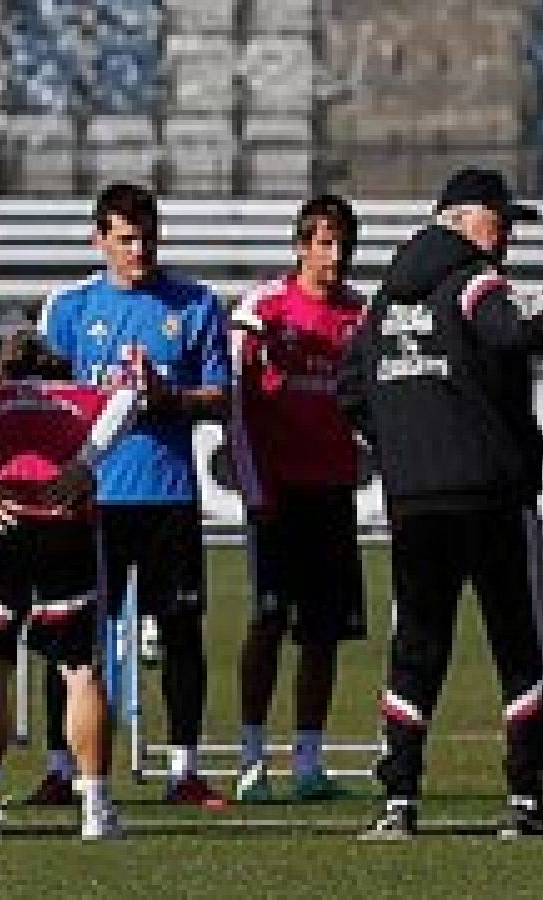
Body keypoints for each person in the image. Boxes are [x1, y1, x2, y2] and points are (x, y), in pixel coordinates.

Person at [340, 167, 543, 840]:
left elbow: (351, 388)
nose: (505, 237)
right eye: (499, 220)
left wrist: (403, 450)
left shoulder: (381, 302)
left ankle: (399, 801)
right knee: (517, 644)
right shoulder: (474, 282)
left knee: (414, 645)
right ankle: (526, 799)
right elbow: (523, 327)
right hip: (492, 496)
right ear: (460, 218)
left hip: (414, 501)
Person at [38, 182, 232, 808]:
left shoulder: (196, 303)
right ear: (100, 240)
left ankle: (184, 767)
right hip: (91, 496)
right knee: (72, 633)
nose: (138, 249)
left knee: (180, 629)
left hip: (166, 493)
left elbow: (221, 398)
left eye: (147, 236)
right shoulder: (68, 310)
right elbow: (47, 398)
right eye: (124, 238)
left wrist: (167, 398)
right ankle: (61, 767)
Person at [0, 331, 138, 840]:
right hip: (64, 526)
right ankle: (94, 807)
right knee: (79, 670)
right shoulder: (79, 397)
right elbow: (131, 399)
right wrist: (85, 464)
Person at [228, 195, 368, 803]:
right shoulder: (263, 310)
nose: (334, 256)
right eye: (324, 243)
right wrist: (253, 484)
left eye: (343, 244)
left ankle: (308, 760)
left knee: (324, 632)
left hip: (332, 491)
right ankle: (252, 756)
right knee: (267, 620)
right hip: (277, 494)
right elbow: (235, 402)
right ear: (301, 246)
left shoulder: (364, 315)